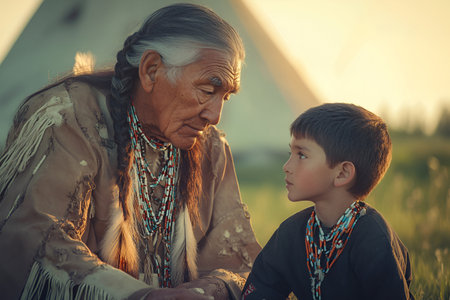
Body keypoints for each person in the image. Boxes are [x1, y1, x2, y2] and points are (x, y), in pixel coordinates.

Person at [0, 3, 262, 299]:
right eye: (207, 90)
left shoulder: (210, 148)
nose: (215, 116)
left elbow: (247, 266)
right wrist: (142, 296)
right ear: (151, 70)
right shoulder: (66, 117)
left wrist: (206, 291)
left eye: (226, 96)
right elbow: (32, 240)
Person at [242, 103, 414, 300]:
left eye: (302, 155)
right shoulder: (291, 234)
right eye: (291, 153)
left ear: (342, 173)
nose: (286, 166)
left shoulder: (373, 239)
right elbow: (260, 290)